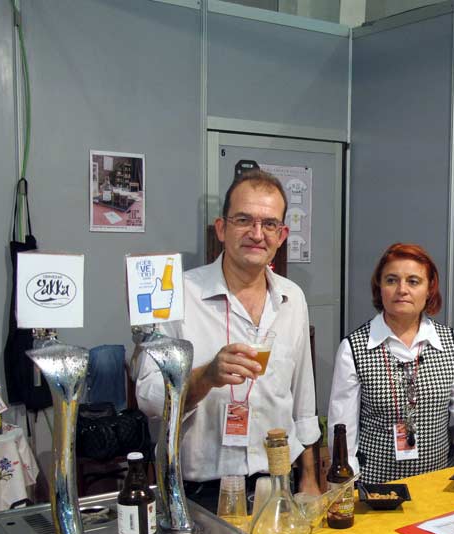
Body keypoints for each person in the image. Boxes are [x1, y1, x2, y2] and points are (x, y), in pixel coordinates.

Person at [136, 170, 320, 509]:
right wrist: (204, 377)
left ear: (282, 235)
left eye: (269, 225)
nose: (256, 234)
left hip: (277, 483)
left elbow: (302, 399)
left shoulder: (292, 298)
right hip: (200, 492)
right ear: (221, 229)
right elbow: (147, 397)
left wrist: (308, 477)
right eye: (243, 220)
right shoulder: (175, 295)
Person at [328, 243, 454, 484]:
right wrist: (346, 489)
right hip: (376, 487)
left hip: (436, 484)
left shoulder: (450, 341)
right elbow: (343, 429)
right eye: (392, 280)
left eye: (413, 281)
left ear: (429, 291)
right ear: (379, 288)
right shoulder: (354, 347)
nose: (402, 290)